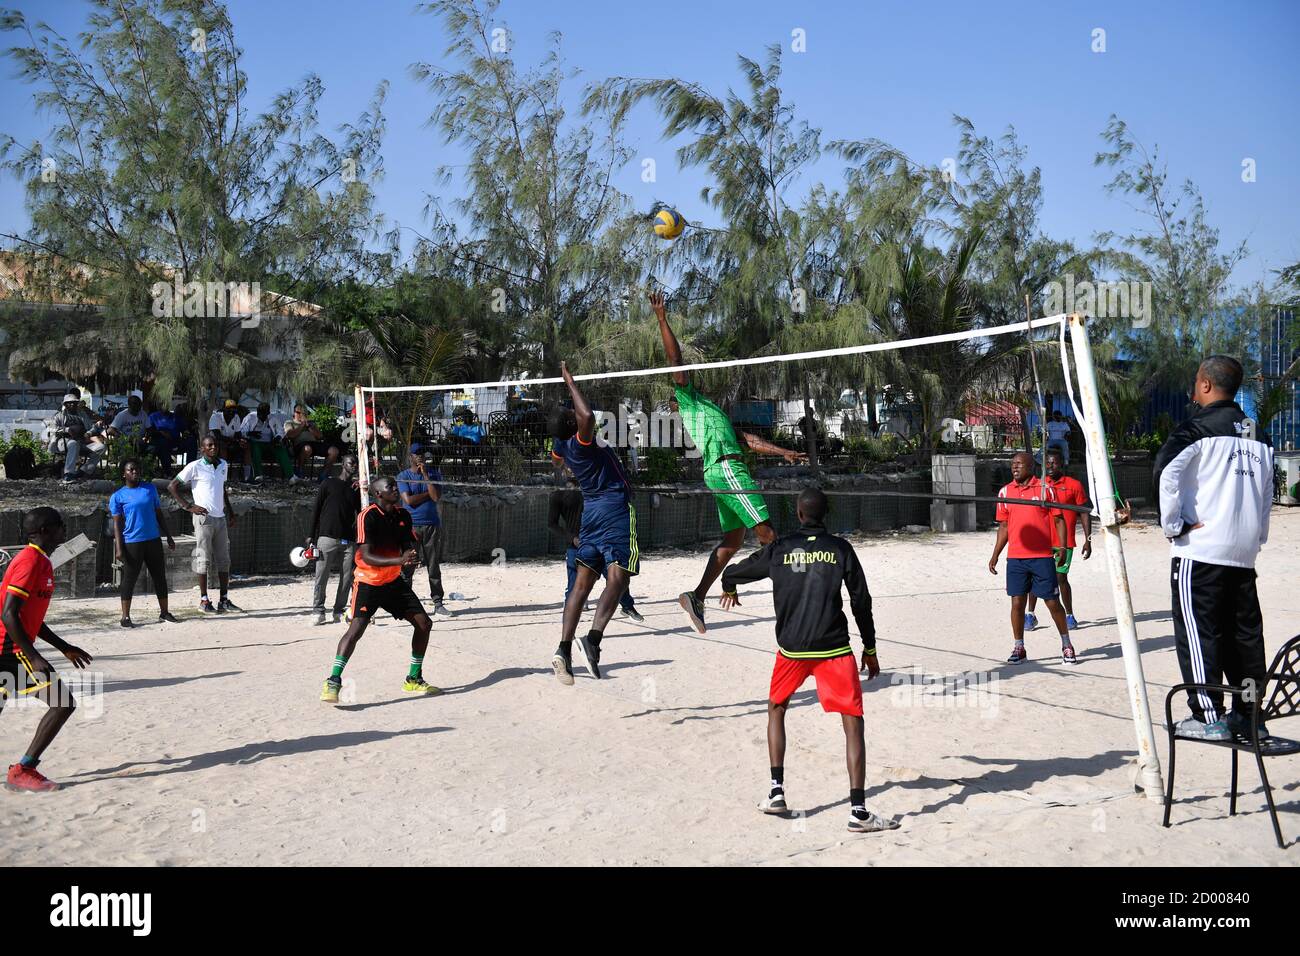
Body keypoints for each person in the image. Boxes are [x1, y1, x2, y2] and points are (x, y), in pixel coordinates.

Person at [720, 488, 896, 834]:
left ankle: (776, 792)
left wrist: (729, 586)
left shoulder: (779, 548)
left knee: (776, 709)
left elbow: (736, 571)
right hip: (833, 648)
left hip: (792, 650)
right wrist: (871, 648)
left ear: (799, 514)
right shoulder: (841, 549)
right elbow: (861, 601)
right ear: (824, 514)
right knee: (852, 722)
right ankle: (858, 811)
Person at [650, 291, 805, 634]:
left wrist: (783, 452)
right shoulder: (687, 400)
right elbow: (676, 363)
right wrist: (662, 319)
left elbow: (747, 440)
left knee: (733, 542)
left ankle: (697, 596)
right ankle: (792, 598)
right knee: (768, 534)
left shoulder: (713, 410)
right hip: (725, 468)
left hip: (723, 469)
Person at [1153, 355, 1275, 741]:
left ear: (1205, 384)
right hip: (1243, 551)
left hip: (1202, 549)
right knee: (1245, 635)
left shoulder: (1195, 429)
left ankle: (1209, 717)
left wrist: (1174, 526)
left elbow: (1165, 475)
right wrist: (1256, 536)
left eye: (1194, 382)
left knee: (1198, 631)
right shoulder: (1259, 435)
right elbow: (1267, 493)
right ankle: (1249, 713)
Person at [546, 361, 639, 684]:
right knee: (620, 576)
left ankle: (563, 648)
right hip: (613, 507)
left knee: (583, 584)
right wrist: (570, 381)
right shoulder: (580, 442)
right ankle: (594, 640)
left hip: (592, 512)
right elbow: (586, 417)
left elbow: (557, 457)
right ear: (573, 425)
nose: (576, 414)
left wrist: (562, 459)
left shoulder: (562, 446)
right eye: (572, 416)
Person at [319, 476, 440, 703]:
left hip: (392, 581)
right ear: (378, 494)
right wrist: (399, 560)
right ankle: (333, 681)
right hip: (368, 582)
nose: (395, 489)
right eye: (390, 487)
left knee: (424, 623)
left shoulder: (403, 515)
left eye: (395, 485)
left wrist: (411, 556)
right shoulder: (368, 516)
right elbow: (366, 555)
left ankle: (413, 679)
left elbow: (406, 546)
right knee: (356, 631)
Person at [1, 507, 94, 792]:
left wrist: (65, 647)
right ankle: (23, 770)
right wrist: (34, 656)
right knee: (63, 703)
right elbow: (9, 613)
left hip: (10, 647)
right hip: (10, 650)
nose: (63, 529)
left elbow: (31, 618)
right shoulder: (30, 561)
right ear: (43, 530)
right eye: (59, 525)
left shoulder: (41, 561)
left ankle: (22, 770)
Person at [988, 451, 1075, 665]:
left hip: (1042, 557)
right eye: (1012, 464)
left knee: (1052, 602)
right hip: (1016, 558)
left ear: (1030, 466)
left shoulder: (1045, 489)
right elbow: (1004, 526)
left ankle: (1067, 644)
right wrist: (995, 555)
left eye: (1019, 464)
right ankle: (1019, 647)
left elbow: (1059, 519)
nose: (1014, 467)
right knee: (1017, 603)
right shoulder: (1005, 492)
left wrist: (1062, 547)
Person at [548, 475, 643, 623]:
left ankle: (627, 606)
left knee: (616, 579)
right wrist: (572, 538)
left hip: (602, 541)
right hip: (576, 546)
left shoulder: (595, 486)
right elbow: (551, 524)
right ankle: (567, 630)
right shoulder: (557, 493)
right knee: (573, 587)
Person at [168, 433, 241, 614]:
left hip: (220, 518)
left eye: (214, 445)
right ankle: (204, 600)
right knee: (203, 560)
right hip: (204, 519)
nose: (213, 448)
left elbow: (222, 490)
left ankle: (224, 599)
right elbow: (172, 486)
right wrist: (188, 506)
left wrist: (230, 512)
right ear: (202, 449)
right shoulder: (195, 466)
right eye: (208, 445)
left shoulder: (223, 465)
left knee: (224, 560)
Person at [1025, 448, 1091, 629]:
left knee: (1061, 577)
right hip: (1042, 540)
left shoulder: (1074, 484)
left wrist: (1088, 539)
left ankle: (1069, 615)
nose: (1050, 466)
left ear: (1062, 463)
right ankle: (1030, 615)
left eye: (1054, 462)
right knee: (1036, 577)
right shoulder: (1038, 485)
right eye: (1047, 463)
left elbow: (1084, 513)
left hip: (1065, 541)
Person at [110, 458, 178, 628]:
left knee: (159, 576)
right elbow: (117, 524)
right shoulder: (118, 496)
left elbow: (158, 513)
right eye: (131, 469)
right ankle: (125, 617)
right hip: (133, 542)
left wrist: (168, 536)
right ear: (123, 473)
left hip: (153, 540)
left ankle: (164, 612)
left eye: (137, 469)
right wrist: (119, 547)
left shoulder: (149, 489)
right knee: (130, 578)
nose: (135, 472)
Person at [396, 446, 452, 617]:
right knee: (408, 566)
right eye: (416, 454)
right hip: (410, 527)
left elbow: (436, 497)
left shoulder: (433, 473)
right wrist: (428, 493)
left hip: (431, 525)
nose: (420, 457)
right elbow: (409, 501)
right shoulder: (403, 476)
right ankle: (405, 604)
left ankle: (438, 602)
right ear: (410, 456)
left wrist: (426, 476)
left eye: (422, 454)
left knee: (433, 565)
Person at [308, 453, 362, 626]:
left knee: (347, 578)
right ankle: (318, 610)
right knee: (321, 576)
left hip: (348, 539)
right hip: (327, 537)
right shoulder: (328, 483)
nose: (353, 465)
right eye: (350, 463)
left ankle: (338, 610)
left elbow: (360, 513)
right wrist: (311, 535)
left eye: (355, 463)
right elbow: (316, 508)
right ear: (343, 464)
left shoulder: (355, 488)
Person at [48, 392, 104, 484]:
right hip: (64, 441)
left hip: (81, 441)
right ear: (65, 404)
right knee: (73, 444)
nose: (72, 404)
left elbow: (91, 427)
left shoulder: (82, 415)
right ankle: (68, 474)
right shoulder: (59, 416)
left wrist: (89, 433)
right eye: (69, 402)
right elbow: (51, 428)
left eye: (74, 402)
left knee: (101, 447)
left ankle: (82, 471)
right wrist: (66, 430)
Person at [241, 402, 294, 483]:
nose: (261, 417)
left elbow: (281, 431)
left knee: (281, 449)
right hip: (256, 443)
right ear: (257, 412)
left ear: (268, 413)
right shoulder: (250, 417)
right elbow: (241, 431)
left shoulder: (273, 418)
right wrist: (250, 433)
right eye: (259, 414)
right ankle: (258, 475)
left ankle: (291, 476)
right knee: (255, 448)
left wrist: (277, 438)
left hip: (270, 443)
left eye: (263, 415)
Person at [284, 404, 337, 480]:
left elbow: (320, 436)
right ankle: (300, 471)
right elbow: (290, 435)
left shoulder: (311, 424)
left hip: (314, 444)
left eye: (303, 413)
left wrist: (309, 427)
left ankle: (323, 474)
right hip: (299, 445)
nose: (301, 415)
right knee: (307, 448)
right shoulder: (289, 423)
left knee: (334, 451)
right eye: (298, 412)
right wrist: (302, 425)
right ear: (294, 413)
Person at [208, 399, 251, 481]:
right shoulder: (215, 417)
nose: (231, 411)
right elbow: (218, 436)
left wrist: (241, 440)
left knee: (246, 446)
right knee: (223, 445)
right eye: (229, 409)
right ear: (223, 409)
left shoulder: (236, 417)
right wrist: (234, 440)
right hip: (216, 444)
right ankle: (223, 477)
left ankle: (247, 477)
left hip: (231, 442)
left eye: (233, 409)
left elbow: (238, 434)